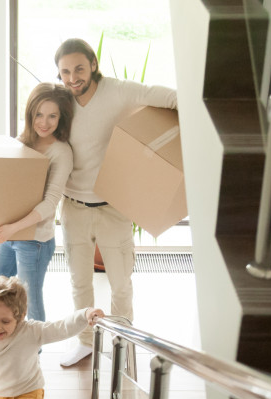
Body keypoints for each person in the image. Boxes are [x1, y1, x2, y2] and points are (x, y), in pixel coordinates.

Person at [53, 38, 178, 366]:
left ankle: (124, 340)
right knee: (80, 283)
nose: (72, 77)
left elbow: (158, 95)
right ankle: (85, 341)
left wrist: (198, 109)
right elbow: (30, 134)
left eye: (79, 68)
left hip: (114, 207)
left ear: (93, 65)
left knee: (121, 284)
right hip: (72, 209)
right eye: (65, 72)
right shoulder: (60, 100)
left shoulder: (118, 91)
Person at [0, 83, 75, 322]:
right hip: (10, 234)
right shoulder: (21, 142)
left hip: (34, 241)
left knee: (30, 303)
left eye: (52, 116)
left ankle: (34, 357)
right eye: (39, 114)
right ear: (30, 114)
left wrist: (12, 229)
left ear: (61, 118)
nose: (44, 123)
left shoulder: (61, 152)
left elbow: (50, 204)